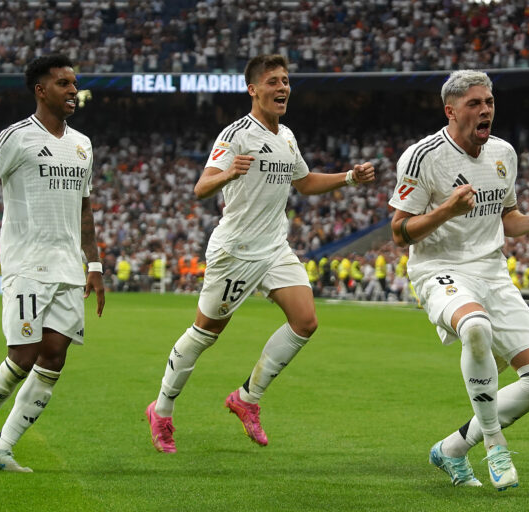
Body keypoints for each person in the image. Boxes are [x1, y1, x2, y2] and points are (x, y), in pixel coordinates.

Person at [144, 54, 374, 451]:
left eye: (285, 81)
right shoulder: (236, 135)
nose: (282, 88)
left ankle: (246, 399)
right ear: (253, 89)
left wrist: (349, 178)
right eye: (273, 81)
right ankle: (161, 410)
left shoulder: (287, 137)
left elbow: (304, 182)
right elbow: (201, 187)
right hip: (237, 251)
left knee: (305, 321)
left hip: (274, 247)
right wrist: (229, 173)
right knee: (204, 335)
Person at [388, 70, 529, 491]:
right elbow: (399, 232)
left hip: (492, 271)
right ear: (450, 111)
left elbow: (507, 218)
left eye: (489, 102)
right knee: (477, 328)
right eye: (474, 104)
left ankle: (451, 449)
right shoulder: (423, 156)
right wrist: (445, 211)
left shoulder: (503, 152)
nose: (486, 110)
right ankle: (495, 447)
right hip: (439, 269)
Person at [0, 54, 105, 473]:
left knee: (54, 356)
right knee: (22, 355)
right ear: (40, 89)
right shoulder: (16, 137)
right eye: (63, 83)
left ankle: (3, 448)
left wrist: (96, 266)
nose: (73, 90)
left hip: (69, 268)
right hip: (28, 264)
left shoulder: (83, 144)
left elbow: (85, 210)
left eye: (75, 83)